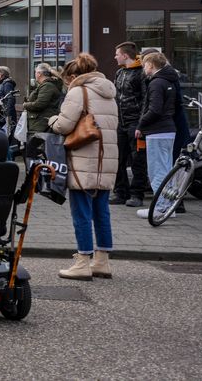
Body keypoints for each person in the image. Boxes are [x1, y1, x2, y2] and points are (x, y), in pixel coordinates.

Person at [49, 53, 119, 280]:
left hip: (84, 159)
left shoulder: (78, 91)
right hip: (106, 158)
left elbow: (63, 125)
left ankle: (82, 262)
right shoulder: (109, 93)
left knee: (81, 212)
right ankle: (102, 261)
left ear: (72, 76)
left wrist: (52, 120)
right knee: (102, 211)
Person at [137, 51, 181, 219]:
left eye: (144, 65)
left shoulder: (156, 83)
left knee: (157, 172)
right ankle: (169, 206)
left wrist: (141, 124)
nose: (143, 68)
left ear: (151, 65)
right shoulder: (170, 81)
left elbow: (154, 109)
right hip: (168, 130)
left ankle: (161, 207)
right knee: (166, 169)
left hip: (157, 131)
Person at [113, 42, 148, 207]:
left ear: (125, 55)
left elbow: (145, 100)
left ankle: (137, 195)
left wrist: (141, 124)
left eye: (117, 54)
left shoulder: (141, 73)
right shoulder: (119, 72)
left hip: (135, 123)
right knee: (119, 159)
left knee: (137, 160)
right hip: (121, 122)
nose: (115, 57)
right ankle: (121, 192)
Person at [23, 62, 65, 159]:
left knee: (34, 154)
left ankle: (37, 172)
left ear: (39, 74)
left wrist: (26, 105)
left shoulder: (47, 86)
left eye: (35, 72)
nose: (35, 75)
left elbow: (40, 104)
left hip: (40, 124)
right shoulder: (46, 85)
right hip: (40, 123)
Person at [0, 66, 17, 133]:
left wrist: (7, 114)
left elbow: (10, 99)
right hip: (1, 114)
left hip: (5, 116)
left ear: (1, 75)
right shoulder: (2, 83)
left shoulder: (7, 84)